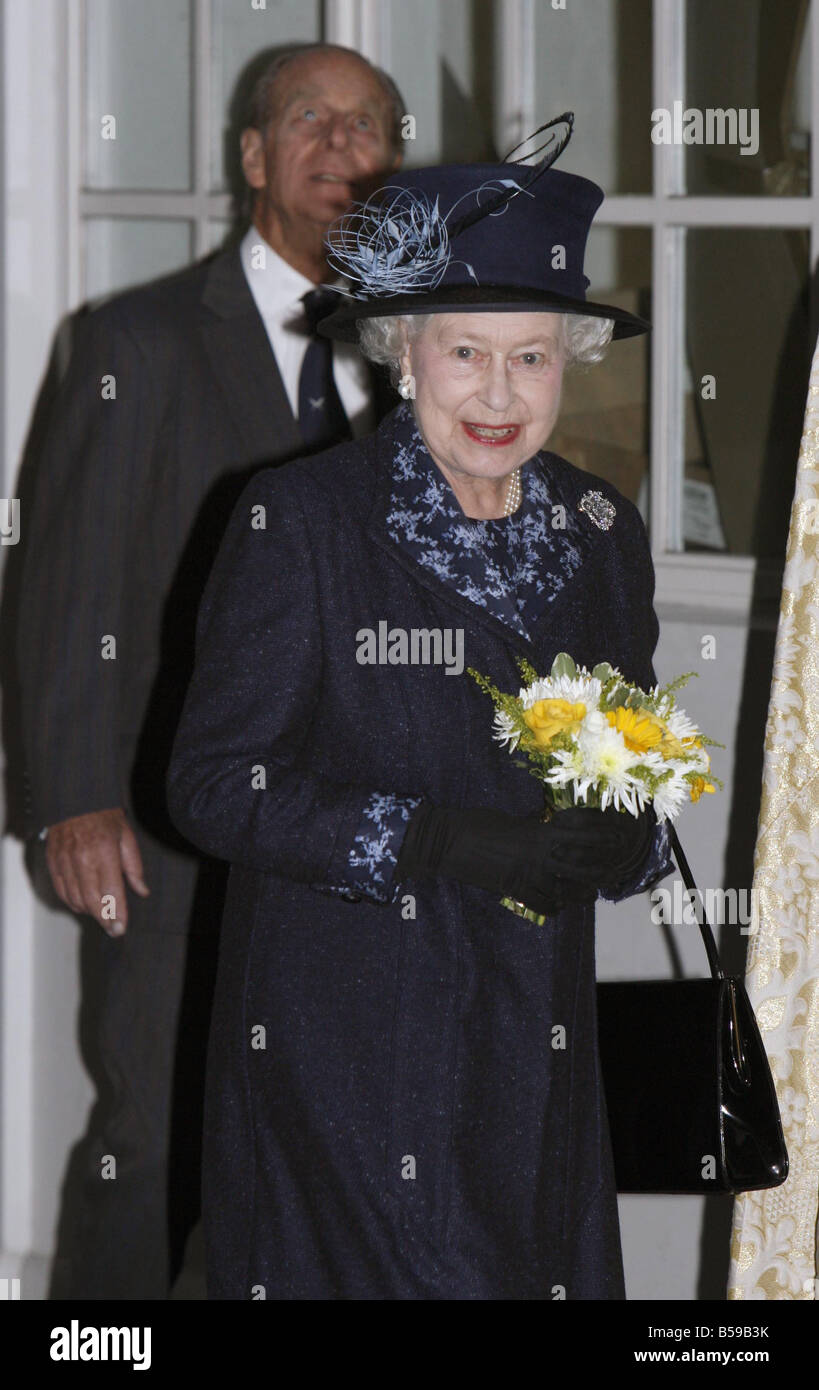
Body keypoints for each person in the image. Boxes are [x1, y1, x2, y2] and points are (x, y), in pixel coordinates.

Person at [166, 143, 674, 1300]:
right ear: (403, 354)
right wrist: (435, 837)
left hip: (527, 1039)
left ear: (569, 365)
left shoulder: (602, 530)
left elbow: (634, 756)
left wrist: (625, 835)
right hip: (345, 1049)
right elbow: (211, 783)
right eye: (467, 353)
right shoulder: (301, 522)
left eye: (532, 357)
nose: (499, 395)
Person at [17, 42, 405, 1300]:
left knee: (330, 1148)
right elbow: (63, 587)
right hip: (171, 834)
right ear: (253, 156)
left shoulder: (423, 362)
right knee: (159, 1139)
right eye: (312, 120)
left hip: (358, 843)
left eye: (371, 128)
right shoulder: (133, 342)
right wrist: (74, 797)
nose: (344, 148)